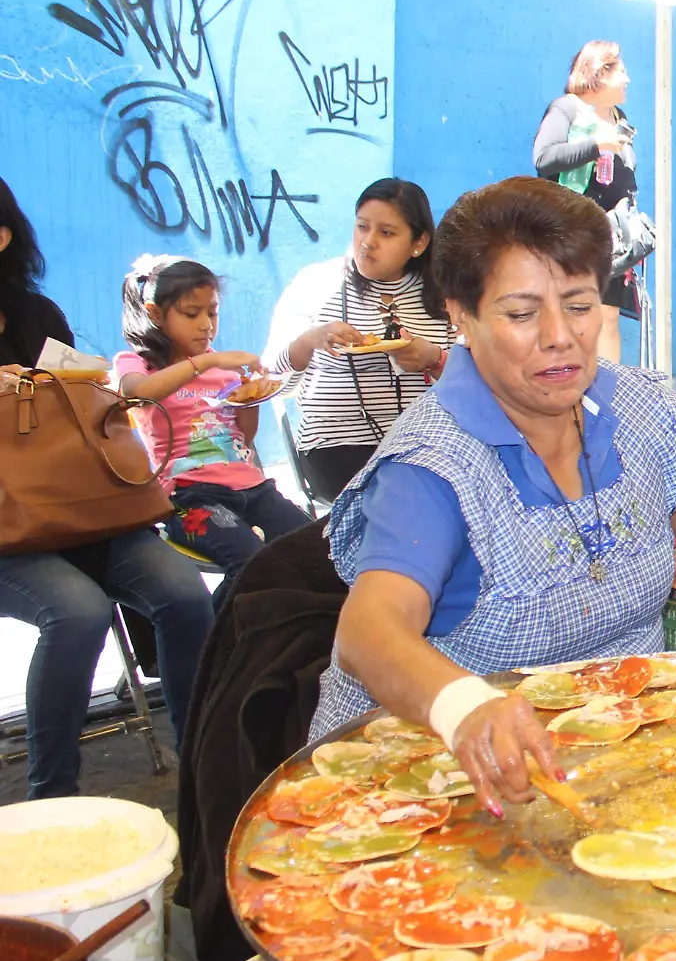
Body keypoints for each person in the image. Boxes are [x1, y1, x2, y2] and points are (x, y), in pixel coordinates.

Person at [311, 177, 676, 813]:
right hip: (446, 775)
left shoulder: (636, 406)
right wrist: (464, 708)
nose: (560, 336)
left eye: (579, 304)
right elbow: (366, 634)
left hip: (612, 752)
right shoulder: (433, 465)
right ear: (462, 317)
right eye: (521, 314)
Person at [0, 183, 213, 798]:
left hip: (80, 511)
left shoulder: (36, 315)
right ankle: (53, 797)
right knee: (76, 612)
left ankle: (203, 763)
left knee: (184, 594)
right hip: (11, 534)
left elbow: (80, 415)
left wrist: (58, 382)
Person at [264, 179, 455, 503]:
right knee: (406, 504)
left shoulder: (444, 297)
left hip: (425, 445)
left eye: (386, 232)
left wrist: (435, 359)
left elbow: (479, 381)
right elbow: (269, 381)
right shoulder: (315, 286)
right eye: (362, 227)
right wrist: (309, 341)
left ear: (419, 242)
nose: (368, 242)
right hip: (336, 450)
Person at [116, 257, 313, 570]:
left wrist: (253, 392)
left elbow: (244, 438)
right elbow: (135, 394)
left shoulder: (224, 369)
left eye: (213, 312)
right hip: (192, 498)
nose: (206, 325)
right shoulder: (138, 364)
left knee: (320, 547)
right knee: (252, 561)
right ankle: (222, 620)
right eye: (191, 314)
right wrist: (205, 363)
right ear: (155, 314)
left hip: (253, 488)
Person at [534, 40, 638, 365]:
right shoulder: (567, 109)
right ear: (599, 73)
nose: (627, 79)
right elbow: (544, 157)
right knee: (571, 313)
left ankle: (608, 398)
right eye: (620, 71)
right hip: (569, 233)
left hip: (610, 236)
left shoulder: (620, 117)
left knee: (607, 317)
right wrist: (596, 145)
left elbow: (624, 176)